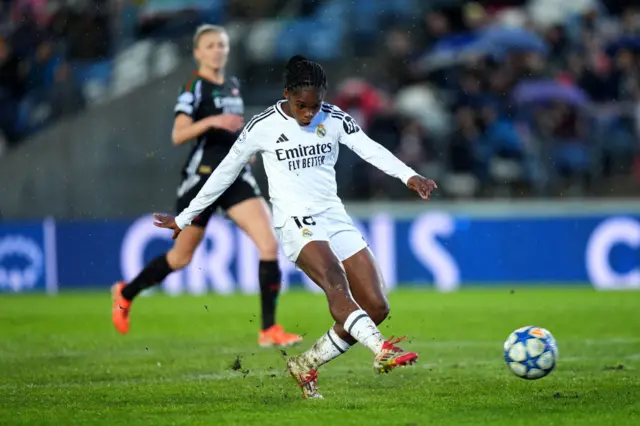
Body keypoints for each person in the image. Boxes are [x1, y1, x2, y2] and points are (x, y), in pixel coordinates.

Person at [153, 55, 437, 399]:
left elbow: (369, 148)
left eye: (315, 106)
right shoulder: (262, 126)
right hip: (295, 222)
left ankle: (305, 364)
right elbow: (223, 174)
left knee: (376, 306)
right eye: (301, 106)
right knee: (336, 284)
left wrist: (409, 175)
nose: (308, 114)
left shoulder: (333, 118)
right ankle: (381, 350)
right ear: (287, 94)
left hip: (334, 217)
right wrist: (185, 217)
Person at [111, 25, 302, 348]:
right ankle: (125, 293)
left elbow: (236, 132)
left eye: (222, 45)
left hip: (235, 177)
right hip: (202, 177)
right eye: (210, 45)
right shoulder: (194, 87)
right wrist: (213, 122)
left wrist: (247, 150)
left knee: (269, 244)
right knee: (181, 258)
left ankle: (268, 329)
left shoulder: (232, 86)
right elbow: (178, 133)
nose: (217, 50)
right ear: (198, 53)